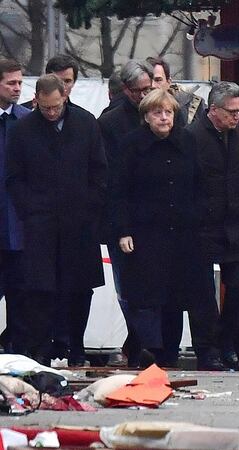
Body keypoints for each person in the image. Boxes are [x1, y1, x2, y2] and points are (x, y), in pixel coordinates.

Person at [112, 88, 224, 370]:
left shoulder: (187, 141)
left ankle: (183, 352)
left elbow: (200, 183)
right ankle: (152, 350)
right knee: (151, 295)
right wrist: (123, 229)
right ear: (146, 117)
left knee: (183, 294)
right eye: (157, 113)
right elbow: (119, 191)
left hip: (185, 232)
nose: (164, 118)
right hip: (147, 232)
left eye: (169, 112)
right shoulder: (131, 145)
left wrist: (200, 215)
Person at [6, 74, 107, 366]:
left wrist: (89, 207)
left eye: (56, 107)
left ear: (65, 97)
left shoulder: (85, 123)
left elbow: (99, 171)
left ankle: (75, 346)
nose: (51, 113)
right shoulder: (23, 130)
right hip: (40, 224)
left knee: (79, 289)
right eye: (45, 108)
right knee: (39, 290)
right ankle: (41, 348)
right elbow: (14, 178)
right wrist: (30, 210)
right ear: (36, 100)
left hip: (79, 223)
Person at [187, 82, 239, 371]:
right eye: (231, 112)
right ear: (213, 110)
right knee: (202, 294)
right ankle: (207, 350)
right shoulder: (192, 136)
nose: (238, 117)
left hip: (236, 222)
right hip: (203, 224)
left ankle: (227, 342)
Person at [97, 60, 153, 367]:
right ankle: (138, 342)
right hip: (124, 217)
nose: (145, 96)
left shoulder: (166, 114)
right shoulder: (111, 123)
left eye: (149, 88)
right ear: (126, 91)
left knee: (153, 286)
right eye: (139, 91)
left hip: (155, 217)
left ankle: (143, 344)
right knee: (128, 286)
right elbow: (109, 178)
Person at [0, 59, 29, 354]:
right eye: (11, 83)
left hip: (20, 224)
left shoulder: (26, 120)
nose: (17, 88)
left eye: (20, 83)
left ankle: (17, 351)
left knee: (21, 295)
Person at [146, 56, 206, 126]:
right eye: (148, 80)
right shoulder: (133, 108)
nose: (153, 85)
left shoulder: (191, 106)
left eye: (158, 80)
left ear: (168, 82)